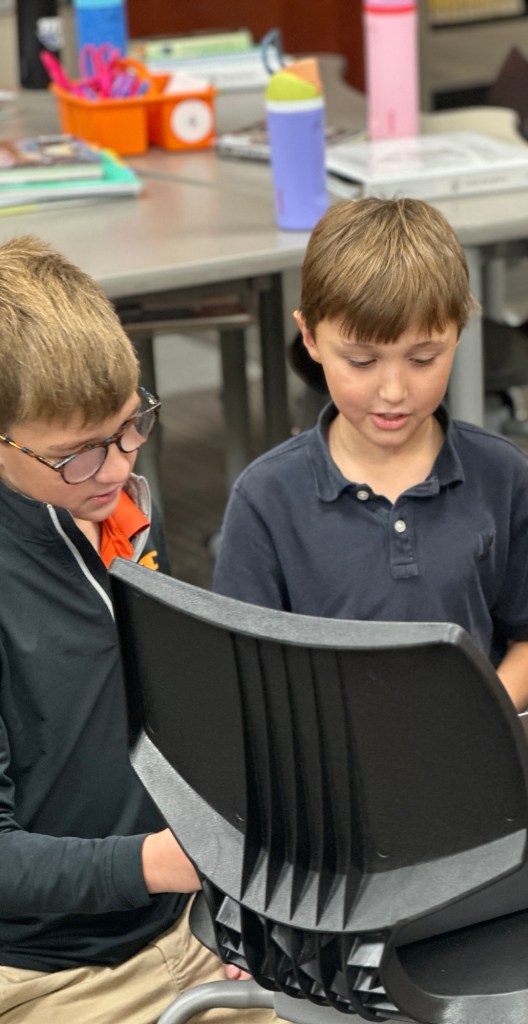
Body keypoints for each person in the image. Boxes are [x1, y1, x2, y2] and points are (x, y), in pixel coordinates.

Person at [0, 236, 274, 1023]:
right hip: (47, 972)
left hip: (189, 923)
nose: (118, 468)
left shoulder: (116, 512)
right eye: (76, 454)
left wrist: (227, 899)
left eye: (130, 425)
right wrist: (159, 863)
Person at [213, 197, 528, 710]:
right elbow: (245, 677)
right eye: (361, 361)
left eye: (423, 359)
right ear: (309, 336)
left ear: (458, 333)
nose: (394, 391)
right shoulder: (265, 497)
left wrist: (481, 722)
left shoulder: (502, 475)